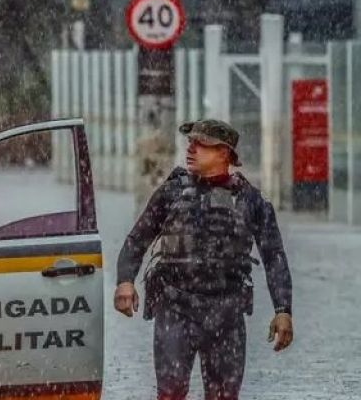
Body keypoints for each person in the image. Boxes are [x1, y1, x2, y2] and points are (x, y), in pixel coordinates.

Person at [114, 119, 294, 400]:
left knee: (223, 396)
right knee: (171, 392)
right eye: (190, 143)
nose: (191, 149)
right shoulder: (171, 192)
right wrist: (125, 281)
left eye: (201, 145)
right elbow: (137, 240)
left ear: (224, 154)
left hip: (227, 314)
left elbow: (274, 256)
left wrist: (283, 310)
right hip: (175, 309)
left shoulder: (250, 201)